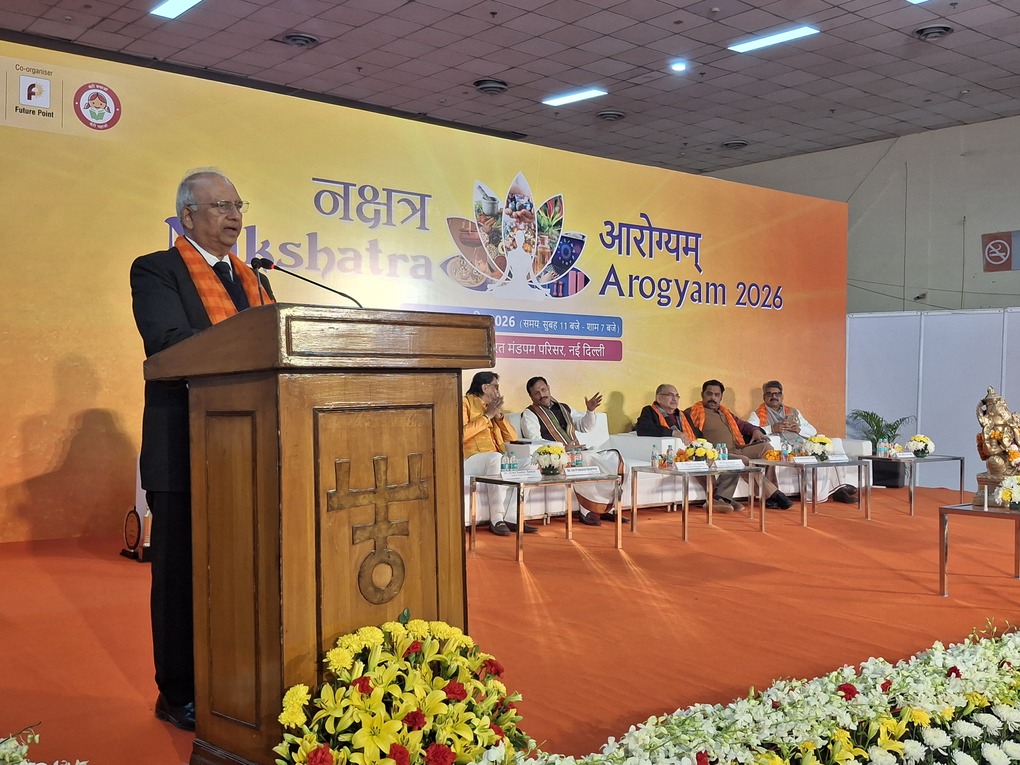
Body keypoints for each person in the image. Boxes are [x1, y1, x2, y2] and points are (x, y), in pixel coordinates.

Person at [130, 168, 273, 732]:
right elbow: (167, 343)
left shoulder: (255, 281)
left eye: (238, 205)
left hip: (248, 451)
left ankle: (233, 674)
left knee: (240, 571)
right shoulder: (156, 269)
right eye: (220, 206)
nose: (233, 216)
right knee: (179, 576)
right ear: (187, 216)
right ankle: (177, 691)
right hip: (183, 448)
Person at [520, 376, 625, 526]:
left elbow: (585, 426)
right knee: (585, 460)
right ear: (531, 397)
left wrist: (590, 410)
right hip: (555, 457)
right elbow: (535, 440)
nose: (542, 395)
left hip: (577, 451)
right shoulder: (529, 414)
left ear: (548, 388)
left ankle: (606, 506)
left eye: (543, 389)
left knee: (613, 458)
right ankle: (587, 510)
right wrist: (563, 448)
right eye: (536, 393)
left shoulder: (564, 407)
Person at [685, 379, 794, 510]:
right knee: (742, 460)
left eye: (717, 395)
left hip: (738, 447)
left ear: (721, 397)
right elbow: (685, 429)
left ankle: (768, 494)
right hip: (718, 453)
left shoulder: (726, 413)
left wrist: (755, 430)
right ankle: (773, 495)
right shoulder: (692, 412)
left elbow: (742, 424)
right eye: (709, 394)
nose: (713, 398)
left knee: (767, 448)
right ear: (702, 395)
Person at [747, 380, 857, 503]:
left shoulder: (794, 412)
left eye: (777, 394)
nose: (774, 397)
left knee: (833, 447)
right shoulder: (756, 415)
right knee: (815, 454)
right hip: (785, 449)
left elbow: (812, 430)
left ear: (782, 396)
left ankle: (840, 488)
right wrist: (771, 429)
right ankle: (835, 491)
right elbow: (750, 432)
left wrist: (799, 429)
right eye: (770, 394)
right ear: (764, 397)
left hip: (801, 444)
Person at [463, 371, 536, 536]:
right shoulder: (465, 403)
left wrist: (499, 416)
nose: (498, 391)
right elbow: (461, 435)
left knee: (531, 462)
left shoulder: (493, 409)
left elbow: (512, 438)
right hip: (470, 459)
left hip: (496, 458)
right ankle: (496, 518)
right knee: (495, 458)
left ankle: (513, 517)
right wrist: (486, 416)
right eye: (496, 387)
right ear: (485, 387)